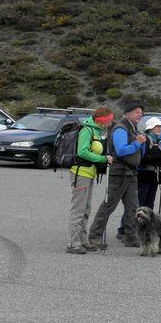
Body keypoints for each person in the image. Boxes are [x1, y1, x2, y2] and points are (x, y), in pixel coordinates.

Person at [88, 102, 147, 249]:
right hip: (119, 173)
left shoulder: (133, 129)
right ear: (127, 113)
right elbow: (120, 150)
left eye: (141, 112)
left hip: (130, 172)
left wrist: (141, 144)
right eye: (137, 112)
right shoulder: (121, 129)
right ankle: (95, 236)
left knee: (133, 207)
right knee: (108, 205)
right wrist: (137, 143)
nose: (140, 114)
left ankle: (131, 237)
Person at [66, 107, 113, 254]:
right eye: (109, 120)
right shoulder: (87, 130)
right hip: (81, 173)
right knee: (78, 209)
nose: (110, 123)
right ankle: (73, 243)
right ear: (102, 121)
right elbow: (82, 152)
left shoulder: (95, 131)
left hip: (88, 173)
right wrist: (102, 159)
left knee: (86, 208)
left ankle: (82, 240)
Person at [116, 116, 161, 240]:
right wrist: (159, 159)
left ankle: (145, 230)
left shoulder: (159, 141)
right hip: (143, 175)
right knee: (137, 204)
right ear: (150, 128)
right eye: (157, 126)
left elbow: (157, 160)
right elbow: (141, 158)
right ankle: (123, 230)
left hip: (154, 176)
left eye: (160, 127)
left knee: (149, 204)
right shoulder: (145, 140)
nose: (159, 128)